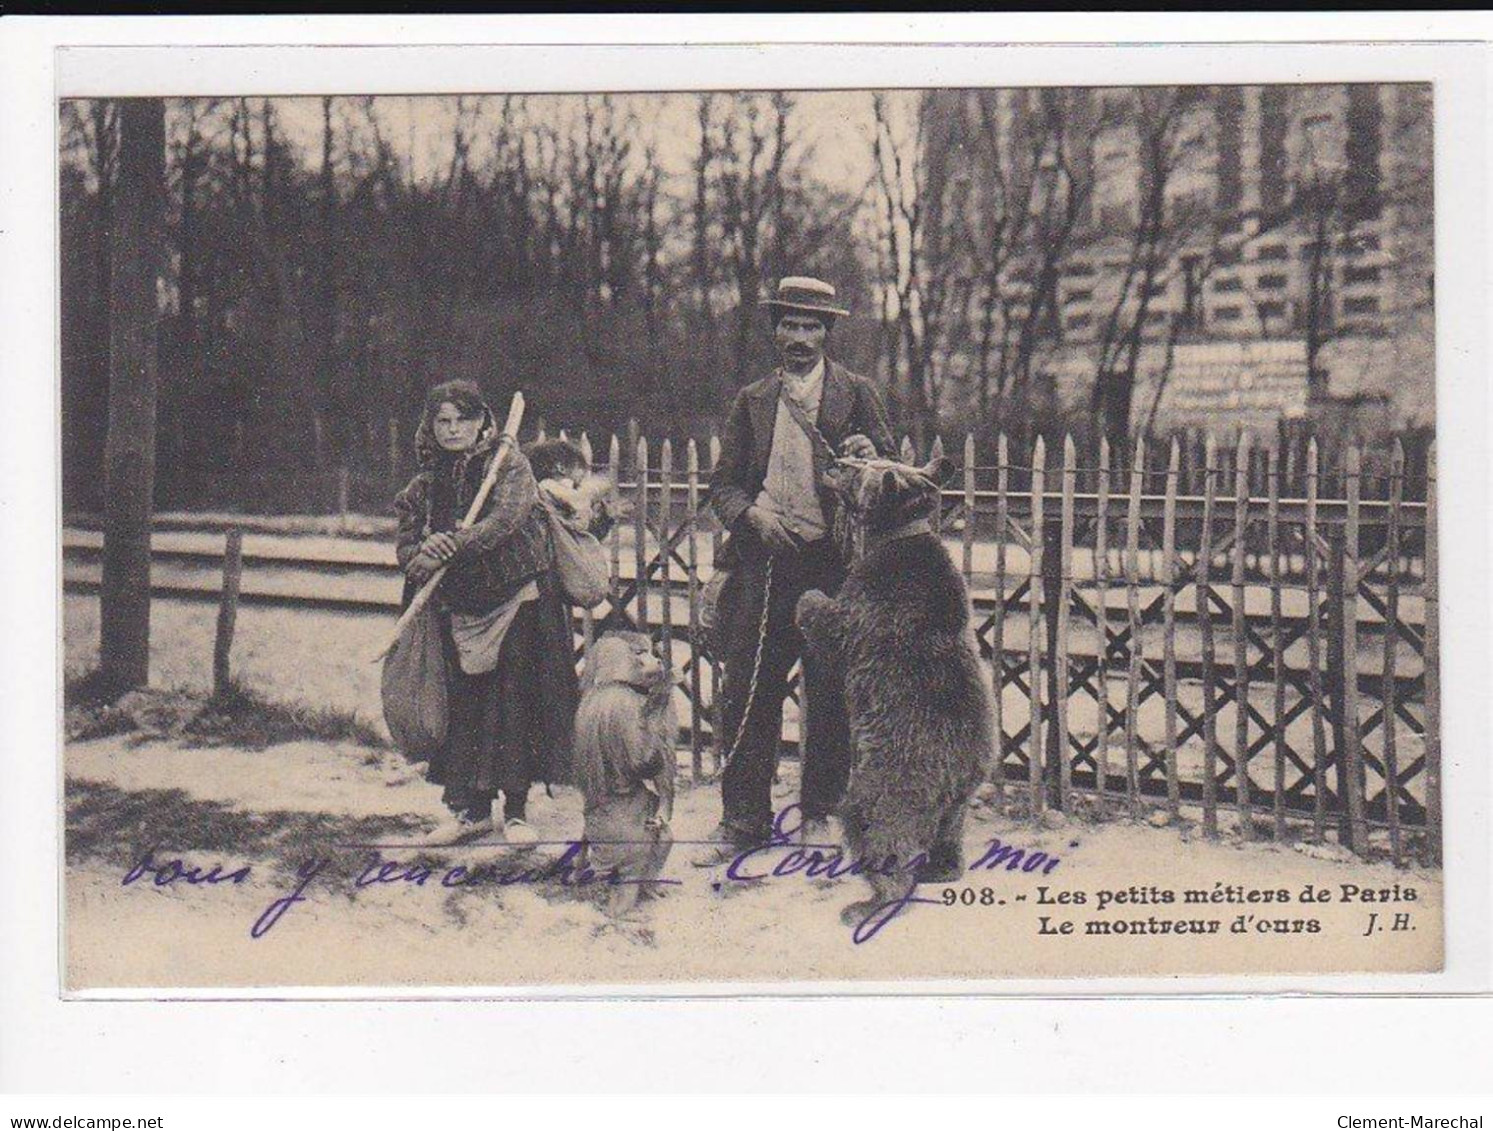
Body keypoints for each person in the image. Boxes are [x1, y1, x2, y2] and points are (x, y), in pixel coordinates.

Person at [693, 276, 896, 865]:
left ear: (827, 333)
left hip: (832, 568)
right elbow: (723, 487)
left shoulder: (857, 394)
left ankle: (820, 816)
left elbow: (889, 478)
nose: (800, 338)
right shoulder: (752, 400)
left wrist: (865, 458)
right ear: (775, 331)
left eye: (812, 326)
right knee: (747, 694)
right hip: (765, 565)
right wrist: (752, 514)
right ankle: (743, 821)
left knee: (829, 693)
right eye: (790, 325)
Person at [393, 380, 578, 847]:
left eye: (462, 420)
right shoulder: (423, 485)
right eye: (443, 421)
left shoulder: (508, 466)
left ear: (481, 422)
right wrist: (425, 551)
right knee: (465, 710)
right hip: (458, 607)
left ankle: (515, 813)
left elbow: (507, 520)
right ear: (431, 427)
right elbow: (407, 551)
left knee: (513, 705)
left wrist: (454, 543)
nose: (453, 430)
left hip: (517, 599)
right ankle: (471, 811)